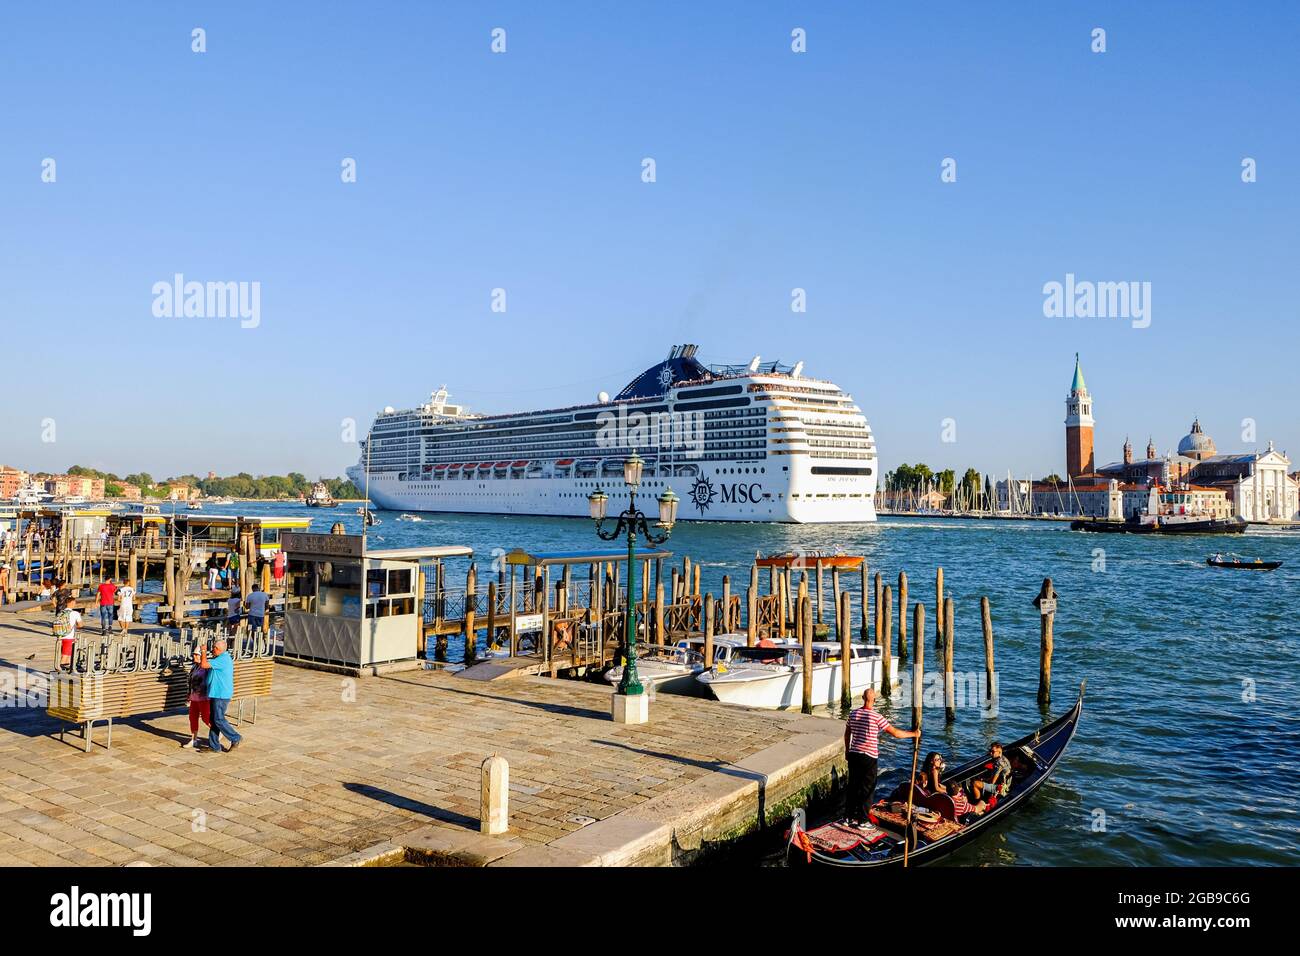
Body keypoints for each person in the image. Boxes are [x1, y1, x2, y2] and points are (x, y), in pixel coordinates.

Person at [843, 687, 920, 825]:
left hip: (854, 754)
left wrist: (847, 751)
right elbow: (895, 733)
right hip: (868, 757)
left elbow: (847, 734)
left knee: (853, 786)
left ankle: (847, 818)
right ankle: (863, 821)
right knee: (868, 788)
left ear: (862, 698)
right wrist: (914, 734)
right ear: (874, 700)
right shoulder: (877, 717)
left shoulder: (853, 714)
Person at [198, 638, 242, 753]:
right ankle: (214, 746)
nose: (212, 650)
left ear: (218, 649)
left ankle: (235, 737)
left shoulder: (222, 659)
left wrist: (203, 651)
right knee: (214, 719)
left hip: (220, 694)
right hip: (216, 693)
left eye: (213, 648)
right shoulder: (221, 658)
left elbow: (204, 665)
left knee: (218, 719)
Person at [182, 647, 210, 749]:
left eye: (196, 655)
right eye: (194, 654)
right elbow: (190, 681)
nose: (194, 656)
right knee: (192, 718)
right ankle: (194, 739)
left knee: (206, 718)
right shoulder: (194, 667)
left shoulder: (206, 668)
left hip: (203, 697)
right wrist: (189, 694)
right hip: (194, 697)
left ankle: (218, 731)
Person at [56, 600, 82, 671]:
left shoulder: (61, 612)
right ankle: (58, 671)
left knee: (67, 655)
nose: (75, 604)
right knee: (65, 656)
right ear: (72, 603)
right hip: (69, 637)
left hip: (60, 636)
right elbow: (81, 625)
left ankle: (65, 670)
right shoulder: (75, 613)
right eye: (74, 603)